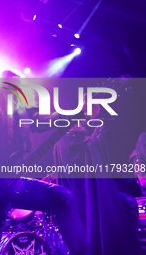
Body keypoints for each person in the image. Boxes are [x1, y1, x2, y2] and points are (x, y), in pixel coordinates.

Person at [0, 70, 91, 255]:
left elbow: (48, 121)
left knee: (64, 198)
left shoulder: (21, 114)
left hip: (16, 183)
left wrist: (78, 111)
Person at [54, 97, 141, 255]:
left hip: (85, 197)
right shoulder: (71, 141)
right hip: (86, 201)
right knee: (128, 204)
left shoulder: (68, 140)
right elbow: (91, 150)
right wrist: (99, 123)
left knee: (129, 203)